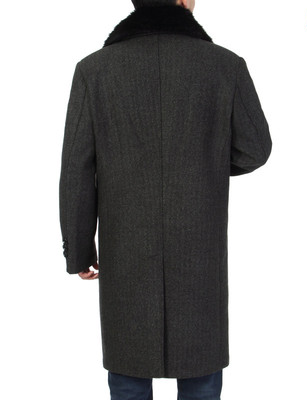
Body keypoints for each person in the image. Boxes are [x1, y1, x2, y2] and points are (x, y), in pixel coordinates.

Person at [59, 0, 272, 398]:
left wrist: (79, 250)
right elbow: (255, 149)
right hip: (198, 249)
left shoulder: (94, 70)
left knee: (128, 373)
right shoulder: (225, 65)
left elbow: (76, 169)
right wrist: (205, 165)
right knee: (201, 371)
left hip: (126, 250)